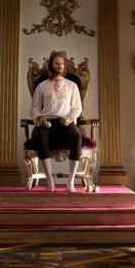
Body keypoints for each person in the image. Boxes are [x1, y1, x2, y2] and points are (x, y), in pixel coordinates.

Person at [29, 51, 82, 192]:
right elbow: (34, 108)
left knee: (76, 136)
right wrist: (39, 117)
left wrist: (70, 119)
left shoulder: (72, 86)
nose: (60, 66)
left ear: (64, 67)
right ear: (51, 66)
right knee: (40, 136)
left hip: (66, 121)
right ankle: (50, 182)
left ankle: (70, 182)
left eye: (62, 63)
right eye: (57, 63)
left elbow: (77, 108)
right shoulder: (42, 86)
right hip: (47, 121)